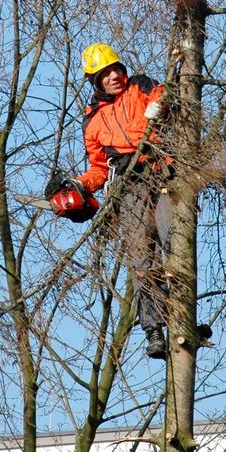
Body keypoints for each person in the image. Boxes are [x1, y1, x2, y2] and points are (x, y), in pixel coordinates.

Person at [74, 42, 172, 359]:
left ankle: (183, 316)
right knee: (142, 258)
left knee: (174, 243)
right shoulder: (93, 120)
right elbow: (99, 167)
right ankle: (154, 328)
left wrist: (157, 106)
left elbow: (162, 92)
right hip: (128, 186)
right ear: (97, 81)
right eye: (106, 74)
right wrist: (80, 185)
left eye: (116, 69)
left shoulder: (139, 85)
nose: (114, 76)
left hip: (160, 171)